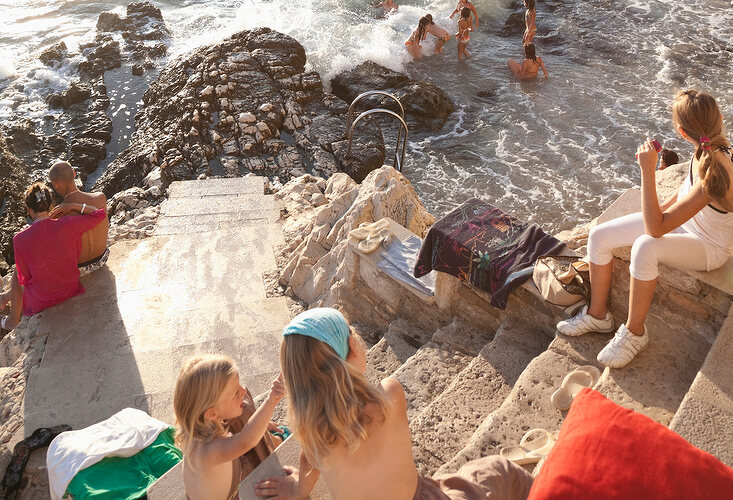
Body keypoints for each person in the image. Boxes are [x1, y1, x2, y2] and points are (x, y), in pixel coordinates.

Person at [254, 308, 533, 500]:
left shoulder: (313, 436)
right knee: (499, 469)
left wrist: (296, 490)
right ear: (352, 349)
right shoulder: (389, 395)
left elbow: (307, 470)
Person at [556, 89, 733, 368]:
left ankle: (635, 332)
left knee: (644, 248)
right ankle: (598, 315)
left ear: (681, 132)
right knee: (600, 235)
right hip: (684, 225)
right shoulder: (706, 149)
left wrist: (647, 171)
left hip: (709, 247)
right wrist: (660, 208)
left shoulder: (717, 170)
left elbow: (655, 229)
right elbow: (683, 194)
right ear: (719, 119)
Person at [174, 354, 286, 500]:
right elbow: (247, 440)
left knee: (243, 409)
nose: (243, 391)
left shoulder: (196, 425)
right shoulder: (209, 451)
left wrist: (263, 423)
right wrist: (272, 400)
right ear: (212, 414)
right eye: (235, 392)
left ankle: (268, 435)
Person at [0, 183, 106, 332]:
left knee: (17, 274)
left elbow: (25, 278)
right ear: (51, 205)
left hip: (41, 300)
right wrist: (73, 206)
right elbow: (99, 213)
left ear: (29, 210)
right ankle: (4, 297)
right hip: (69, 289)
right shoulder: (68, 223)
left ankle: (12, 321)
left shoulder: (19, 239)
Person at [48, 160, 109, 274]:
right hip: (102, 258)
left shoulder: (59, 214)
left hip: (79, 269)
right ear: (74, 173)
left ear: (55, 184)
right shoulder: (100, 197)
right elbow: (99, 215)